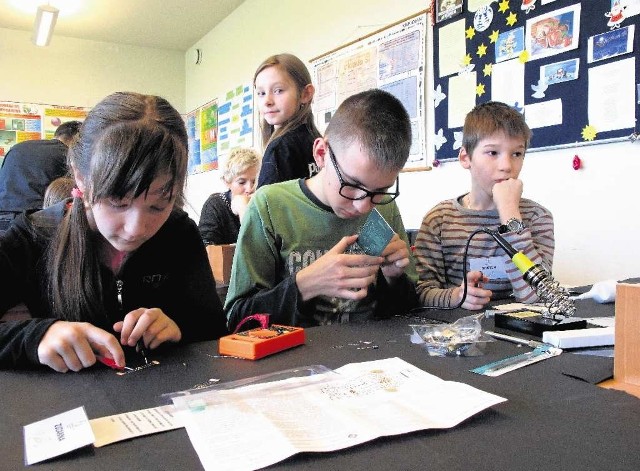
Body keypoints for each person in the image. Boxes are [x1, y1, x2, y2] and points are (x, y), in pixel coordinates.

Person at [0, 92, 228, 371]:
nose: (136, 229)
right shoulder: (34, 235)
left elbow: (214, 327)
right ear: (81, 177)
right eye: (118, 203)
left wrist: (178, 327)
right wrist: (35, 337)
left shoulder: (179, 233)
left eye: (158, 205)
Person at [225, 89, 417, 331]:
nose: (363, 205)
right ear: (321, 154)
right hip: (295, 362)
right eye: (352, 184)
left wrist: (395, 278)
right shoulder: (270, 207)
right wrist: (305, 284)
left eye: (380, 190)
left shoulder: (384, 210)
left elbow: (408, 316)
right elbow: (236, 320)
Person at [414, 101, 554, 310]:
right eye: (492, 153)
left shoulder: (536, 217)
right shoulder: (439, 219)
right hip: (459, 333)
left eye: (517, 154)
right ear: (465, 157)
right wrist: (457, 296)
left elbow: (537, 293)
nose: (506, 166)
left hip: (517, 333)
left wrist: (509, 214)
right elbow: (421, 293)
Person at [253, 53, 321, 188]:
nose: (267, 101)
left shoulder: (280, 148)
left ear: (305, 94)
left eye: (278, 90)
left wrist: (240, 204)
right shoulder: (317, 140)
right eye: (261, 93)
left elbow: (264, 209)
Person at [0, 120, 81, 232]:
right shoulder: (66, 154)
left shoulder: (17, 148)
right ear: (75, 140)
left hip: (3, 217)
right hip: (34, 221)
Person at [198, 147, 261, 245]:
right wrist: (243, 210)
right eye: (241, 182)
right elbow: (207, 249)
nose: (249, 188)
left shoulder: (263, 202)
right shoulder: (215, 205)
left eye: (254, 181)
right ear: (227, 182)